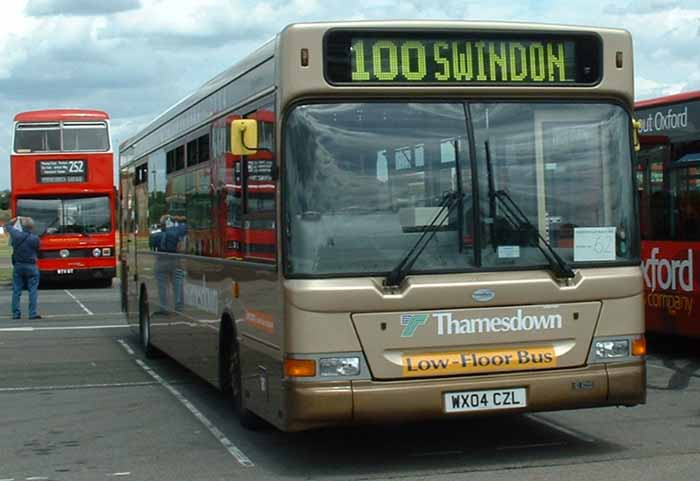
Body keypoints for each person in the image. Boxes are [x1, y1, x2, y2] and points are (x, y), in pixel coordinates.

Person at [5, 216, 41, 320]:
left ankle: (16, 313)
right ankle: (32, 313)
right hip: (31, 265)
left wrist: (16, 219)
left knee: (17, 290)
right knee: (33, 290)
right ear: (32, 227)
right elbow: (37, 249)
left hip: (19, 265)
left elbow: (7, 225)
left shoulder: (16, 235)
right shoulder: (35, 238)